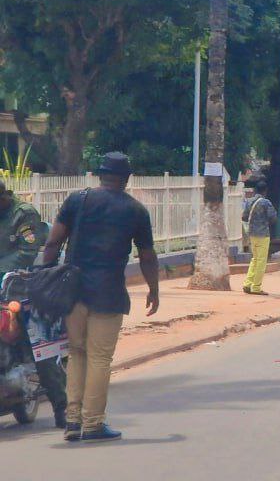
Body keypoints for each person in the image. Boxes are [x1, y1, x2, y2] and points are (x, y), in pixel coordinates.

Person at [41, 152, 159, 442]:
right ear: (127, 179)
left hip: (73, 290)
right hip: (108, 291)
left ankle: (72, 420)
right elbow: (147, 255)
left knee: (76, 353)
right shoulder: (136, 211)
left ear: (98, 175)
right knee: (99, 358)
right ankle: (93, 423)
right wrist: (153, 289)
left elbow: (53, 242)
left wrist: (45, 277)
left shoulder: (77, 200)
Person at [0, 179, 68, 428]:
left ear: (4, 197)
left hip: (19, 285)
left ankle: (62, 408)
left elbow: (27, 251)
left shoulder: (23, 214)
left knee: (40, 345)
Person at [241, 179, 277, 294]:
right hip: (263, 234)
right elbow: (273, 218)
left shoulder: (249, 201)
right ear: (265, 191)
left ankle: (248, 283)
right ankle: (256, 287)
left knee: (254, 259)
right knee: (261, 261)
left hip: (251, 234)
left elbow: (244, 217)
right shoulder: (266, 202)